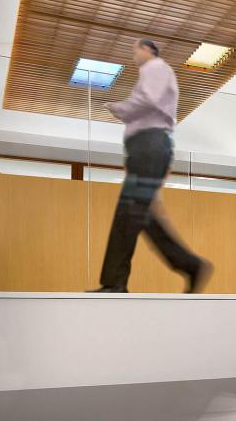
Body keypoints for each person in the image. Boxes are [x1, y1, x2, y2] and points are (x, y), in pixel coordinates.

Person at [88, 38, 213, 293]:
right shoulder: (153, 72)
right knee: (140, 215)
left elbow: (148, 101)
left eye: (135, 49)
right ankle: (191, 266)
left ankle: (116, 282)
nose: (133, 54)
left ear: (148, 50)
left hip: (151, 146)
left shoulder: (156, 68)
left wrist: (118, 108)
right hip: (146, 150)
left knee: (129, 213)